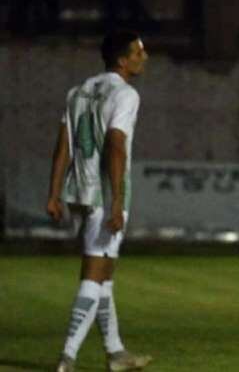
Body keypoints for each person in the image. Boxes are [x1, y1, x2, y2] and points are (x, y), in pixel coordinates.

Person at [46, 30, 152, 372]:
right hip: (104, 195)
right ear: (122, 60)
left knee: (104, 276)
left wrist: (54, 193)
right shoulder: (125, 94)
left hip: (79, 193)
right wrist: (118, 199)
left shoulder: (78, 91)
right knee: (93, 278)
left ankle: (115, 353)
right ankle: (68, 357)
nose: (144, 57)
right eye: (138, 52)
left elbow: (63, 146)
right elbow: (116, 145)